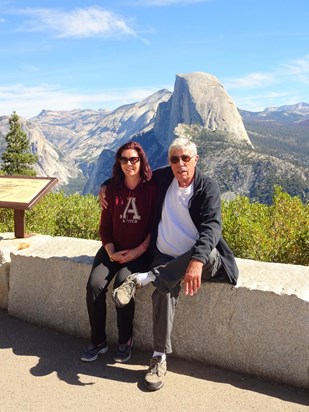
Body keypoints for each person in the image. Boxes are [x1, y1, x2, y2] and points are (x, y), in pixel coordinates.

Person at [111, 137, 239, 390]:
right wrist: (106, 188)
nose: (180, 164)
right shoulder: (163, 179)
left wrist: (196, 261)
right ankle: (159, 358)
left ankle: (142, 278)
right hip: (165, 257)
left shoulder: (207, 188)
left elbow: (212, 228)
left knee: (209, 255)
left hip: (200, 258)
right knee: (163, 291)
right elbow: (134, 175)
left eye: (185, 158)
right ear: (169, 162)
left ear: (196, 160)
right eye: (174, 159)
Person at [81, 141, 157, 364]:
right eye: (123, 159)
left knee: (123, 285)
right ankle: (98, 341)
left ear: (141, 160)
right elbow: (104, 227)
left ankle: (125, 342)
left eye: (133, 159)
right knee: (94, 285)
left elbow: (156, 225)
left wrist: (139, 250)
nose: (128, 164)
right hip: (112, 248)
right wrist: (111, 252)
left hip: (141, 252)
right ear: (119, 163)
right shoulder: (111, 190)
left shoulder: (152, 188)